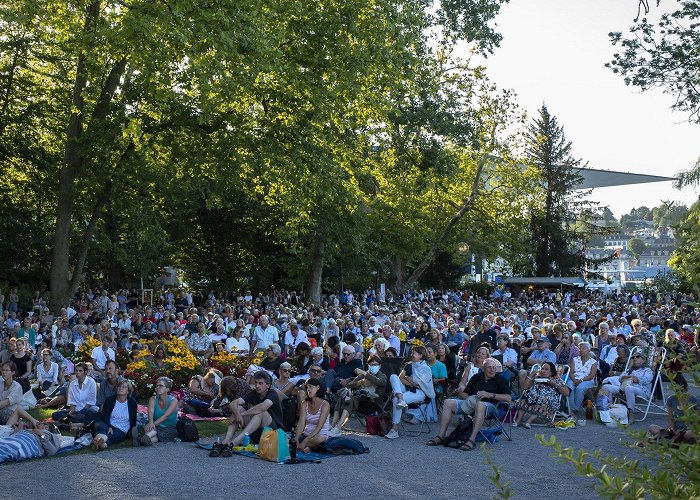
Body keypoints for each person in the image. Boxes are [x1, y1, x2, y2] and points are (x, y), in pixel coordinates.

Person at [427, 358, 510, 450]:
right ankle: (441, 436)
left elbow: (508, 398)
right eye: (489, 367)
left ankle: (471, 439)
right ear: (483, 368)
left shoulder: (500, 380)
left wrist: (490, 395)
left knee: (480, 404)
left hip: (490, 407)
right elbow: (465, 393)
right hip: (471, 404)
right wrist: (468, 399)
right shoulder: (477, 377)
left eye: (494, 368)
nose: (492, 370)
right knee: (448, 402)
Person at [218, 371, 283, 452]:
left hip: (273, 434)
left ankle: (236, 441)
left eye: (260, 383)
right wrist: (237, 414)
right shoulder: (254, 393)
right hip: (256, 433)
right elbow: (233, 403)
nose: (257, 386)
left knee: (261, 412)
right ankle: (227, 440)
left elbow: (262, 407)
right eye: (256, 383)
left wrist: (241, 414)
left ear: (268, 385)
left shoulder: (273, 393)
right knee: (237, 408)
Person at [328, 355, 387, 436]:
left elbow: (379, 382)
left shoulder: (382, 376)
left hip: (372, 404)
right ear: (368, 365)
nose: (373, 366)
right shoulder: (362, 376)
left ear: (380, 366)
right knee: (344, 397)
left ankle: (338, 428)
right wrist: (360, 382)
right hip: (358, 402)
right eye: (371, 365)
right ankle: (333, 425)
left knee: (350, 398)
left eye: (375, 365)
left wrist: (365, 373)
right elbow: (348, 385)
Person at [385, 346, 435, 439]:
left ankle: (394, 429)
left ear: (420, 355)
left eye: (414, 353)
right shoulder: (409, 364)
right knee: (393, 376)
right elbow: (401, 378)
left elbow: (418, 384)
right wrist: (410, 380)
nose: (411, 355)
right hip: (407, 390)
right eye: (411, 353)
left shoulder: (425, 368)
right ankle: (401, 399)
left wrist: (408, 378)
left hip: (420, 393)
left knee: (395, 400)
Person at [600, 350, 653, 424]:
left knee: (629, 388)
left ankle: (630, 414)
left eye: (637, 357)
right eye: (633, 357)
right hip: (624, 388)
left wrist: (634, 378)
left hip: (641, 391)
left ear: (643, 359)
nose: (635, 358)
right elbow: (620, 378)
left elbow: (647, 380)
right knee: (606, 386)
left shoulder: (647, 370)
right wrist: (630, 377)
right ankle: (607, 410)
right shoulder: (629, 370)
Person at [512, 361, 569, 427]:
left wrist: (554, 384)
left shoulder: (557, 380)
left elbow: (566, 392)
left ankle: (529, 421)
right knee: (524, 397)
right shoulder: (537, 378)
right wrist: (530, 376)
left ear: (552, 372)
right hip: (533, 399)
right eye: (542, 369)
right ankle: (518, 420)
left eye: (546, 369)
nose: (543, 371)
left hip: (548, 401)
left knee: (543, 401)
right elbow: (525, 388)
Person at [92, 380, 137, 450]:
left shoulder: (132, 402)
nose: (120, 388)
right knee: (100, 425)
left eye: (124, 387)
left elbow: (134, 418)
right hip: (108, 425)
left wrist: (132, 431)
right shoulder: (110, 400)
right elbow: (105, 415)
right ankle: (101, 443)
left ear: (128, 391)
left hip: (121, 429)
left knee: (114, 435)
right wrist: (109, 426)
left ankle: (98, 442)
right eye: (119, 386)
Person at [140, 376, 179, 445]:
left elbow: (166, 416)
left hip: (170, 427)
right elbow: (150, 411)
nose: (158, 387)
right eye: (157, 386)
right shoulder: (153, 399)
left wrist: (153, 424)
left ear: (167, 389)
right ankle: (144, 440)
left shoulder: (173, 401)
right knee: (152, 428)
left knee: (155, 431)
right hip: (156, 425)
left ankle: (142, 439)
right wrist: (151, 422)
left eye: (161, 386)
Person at [295, 378, 331, 452]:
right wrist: (296, 438)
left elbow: (319, 427)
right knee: (287, 439)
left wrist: (305, 442)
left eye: (310, 386)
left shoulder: (325, 405)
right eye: (307, 387)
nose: (308, 389)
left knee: (319, 439)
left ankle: (307, 447)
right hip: (306, 435)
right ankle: (308, 447)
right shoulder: (305, 403)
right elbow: (301, 423)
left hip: (319, 435)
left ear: (317, 388)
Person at [566, 342, 597, 417]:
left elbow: (591, 376)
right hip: (574, 379)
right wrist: (575, 380)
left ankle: (576, 409)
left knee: (580, 388)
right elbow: (571, 372)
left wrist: (580, 380)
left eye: (583, 348)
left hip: (587, 380)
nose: (581, 350)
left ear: (589, 350)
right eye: (580, 348)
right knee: (569, 387)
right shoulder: (575, 359)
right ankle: (572, 409)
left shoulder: (593, 362)